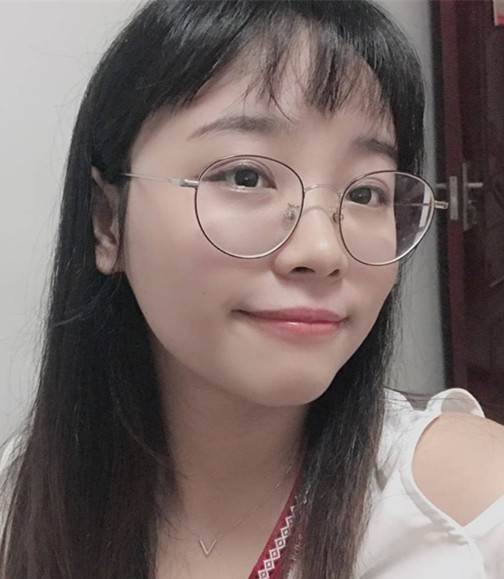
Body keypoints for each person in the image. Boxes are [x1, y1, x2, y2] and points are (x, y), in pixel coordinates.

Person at [1, 1, 503, 577]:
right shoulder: (23, 505)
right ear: (107, 222)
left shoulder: (466, 522)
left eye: (366, 193)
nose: (322, 251)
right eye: (246, 176)